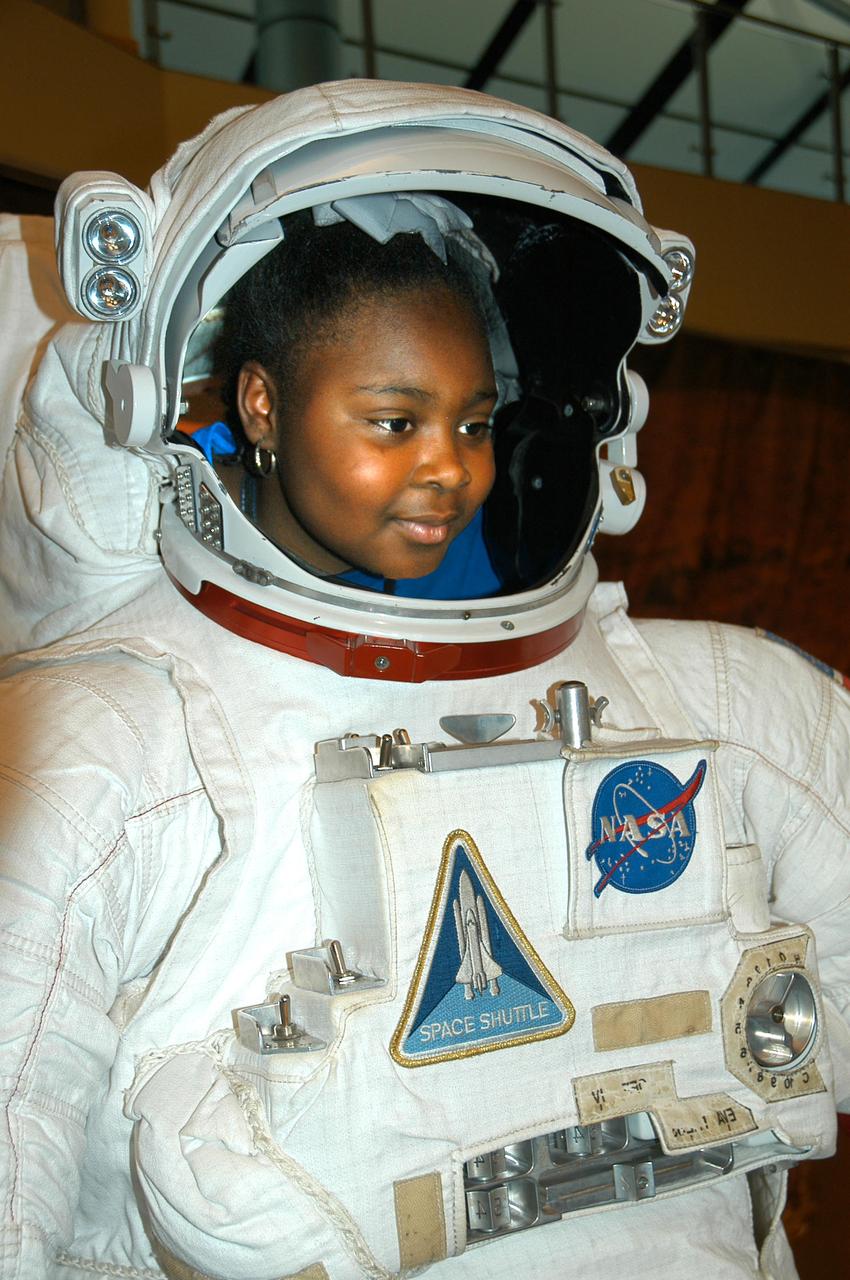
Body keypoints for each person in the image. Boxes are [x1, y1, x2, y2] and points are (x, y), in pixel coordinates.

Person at [0, 80, 847, 1280]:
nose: (449, 469)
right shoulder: (113, 745)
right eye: (394, 422)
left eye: (476, 419)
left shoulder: (720, 708)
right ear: (263, 403)